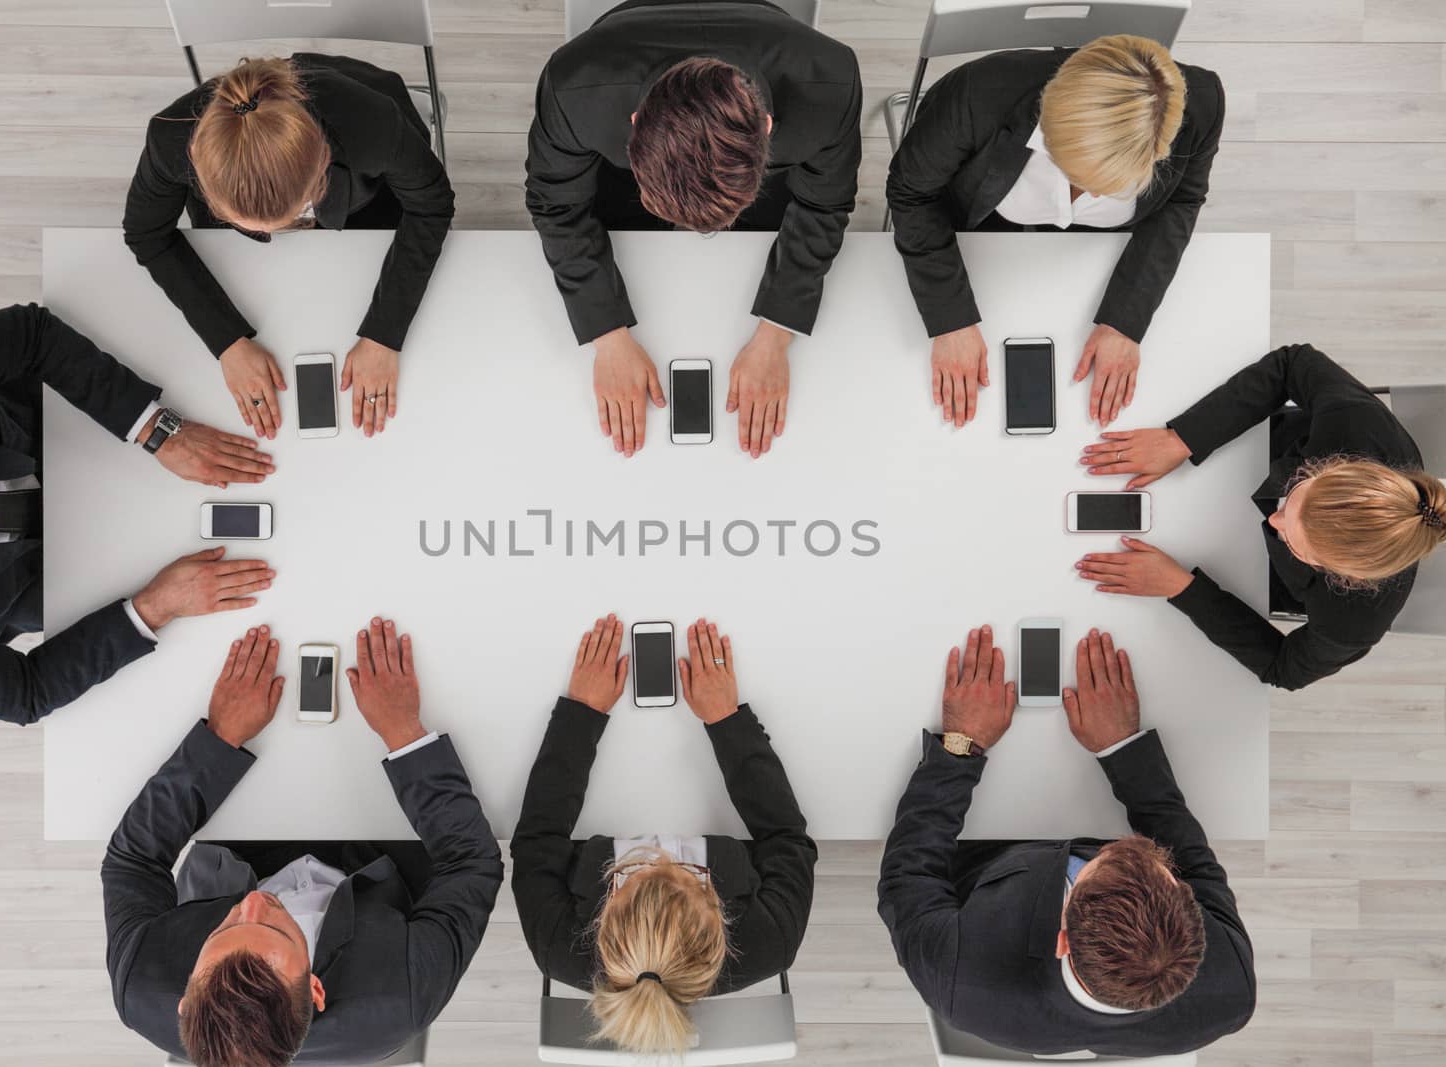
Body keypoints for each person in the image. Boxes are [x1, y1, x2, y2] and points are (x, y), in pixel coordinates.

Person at [0, 305, 275, 725]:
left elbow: (31, 332)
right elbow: (26, 694)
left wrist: (153, 427)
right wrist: (155, 606)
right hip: (53, 582)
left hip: (55, 435)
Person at [102, 618, 503, 1067]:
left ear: (184, 994)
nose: (252, 903)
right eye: (272, 928)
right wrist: (404, 733)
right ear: (315, 988)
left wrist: (220, 736)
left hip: (243, 844)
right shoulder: (401, 995)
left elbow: (132, 861)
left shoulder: (140, 983)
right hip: (383, 850)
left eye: (225, 929)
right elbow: (472, 863)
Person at [878, 624, 1255, 1055]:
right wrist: (1122, 748)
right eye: (1166, 874)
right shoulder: (1231, 987)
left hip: (984, 854)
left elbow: (906, 875)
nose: (1116, 846)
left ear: (1062, 940)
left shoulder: (960, 974)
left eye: (1096, 867)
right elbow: (1198, 866)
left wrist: (961, 746)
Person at [525, 0, 862, 459]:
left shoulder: (830, 82)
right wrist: (606, 333)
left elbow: (825, 204)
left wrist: (776, 333)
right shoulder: (574, 85)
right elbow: (556, 204)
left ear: (766, 129)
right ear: (635, 125)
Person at [511, 615, 817, 1054]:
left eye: (637, 871)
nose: (661, 856)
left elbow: (538, 837)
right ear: (720, 917)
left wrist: (581, 713)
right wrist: (726, 719)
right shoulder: (772, 942)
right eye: (689, 874)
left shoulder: (557, 946)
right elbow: (787, 837)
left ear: (602, 918)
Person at [887, 35, 1224, 428]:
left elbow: (1180, 202)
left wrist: (1124, 321)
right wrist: (951, 318)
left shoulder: (1203, 104)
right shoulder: (978, 93)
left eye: (1113, 184)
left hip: (1096, 257)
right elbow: (910, 193)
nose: (1095, 194)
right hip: (981, 223)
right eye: (1078, 175)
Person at [125, 54, 455, 440]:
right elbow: (145, 233)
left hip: (368, 200)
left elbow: (432, 205)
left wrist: (385, 331)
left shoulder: (371, 126)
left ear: (322, 169)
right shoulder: (171, 138)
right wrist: (225, 340)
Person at [1075, 344, 1444, 690]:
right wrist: (1185, 438)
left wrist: (1181, 588)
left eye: (1298, 545)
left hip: (1258, 574)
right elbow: (1292, 364)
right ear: (1333, 468)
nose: (1274, 521)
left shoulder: (1352, 623)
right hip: (1261, 445)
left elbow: (1282, 669)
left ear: (1344, 579)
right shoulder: (1359, 426)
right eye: (1298, 494)